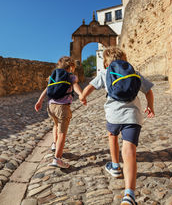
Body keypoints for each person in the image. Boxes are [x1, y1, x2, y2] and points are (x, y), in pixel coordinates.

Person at [80, 47, 155, 205]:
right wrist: (150, 106)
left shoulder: (105, 73)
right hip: (133, 117)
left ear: (106, 64)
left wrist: (82, 97)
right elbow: (148, 90)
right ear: (125, 60)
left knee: (112, 136)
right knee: (129, 151)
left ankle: (115, 166)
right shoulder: (133, 73)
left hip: (113, 116)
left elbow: (90, 87)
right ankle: (129, 195)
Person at [35, 56, 84, 169]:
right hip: (63, 107)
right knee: (62, 132)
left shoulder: (54, 75)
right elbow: (75, 86)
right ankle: (57, 158)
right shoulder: (70, 76)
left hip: (50, 106)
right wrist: (81, 95)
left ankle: (54, 144)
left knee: (55, 125)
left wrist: (39, 101)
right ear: (71, 66)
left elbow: (47, 89)